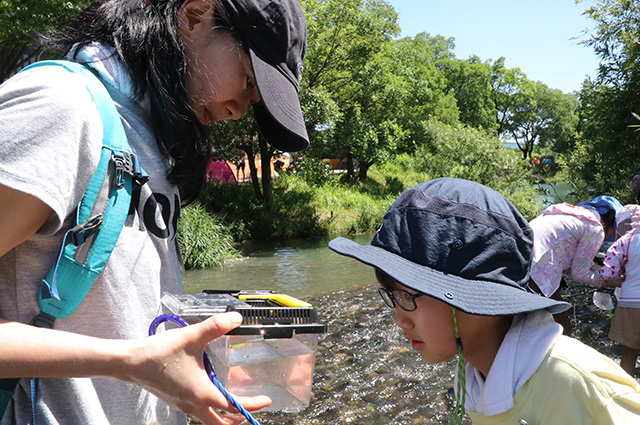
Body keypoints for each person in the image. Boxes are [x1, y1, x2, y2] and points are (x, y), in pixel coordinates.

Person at [0, 0, 308, 424]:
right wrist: (127, 360)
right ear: (195, 15)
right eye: (249, 80)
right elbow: (133, 356)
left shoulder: (151, 146)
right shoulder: (61, 107)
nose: (240, 110)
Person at [329, 178, 640, 425]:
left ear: (475, 298)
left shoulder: (587, 391)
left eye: (406, 297)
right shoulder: (478, 373)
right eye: (391, 295)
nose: (399, 319)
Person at [528, 196, 622, 334]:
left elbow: (559, 249)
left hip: (519, 256)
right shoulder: (595, 227)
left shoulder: (566, 212)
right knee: (561, 327)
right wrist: (612, 281)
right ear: (611, 220)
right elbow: (579, 274)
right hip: (537, 265)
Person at [601, 204, 640, 377]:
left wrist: (622, 278)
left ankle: (628, 399)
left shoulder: (626, 241)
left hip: (630, 303)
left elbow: (608, 273)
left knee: (629, 355)